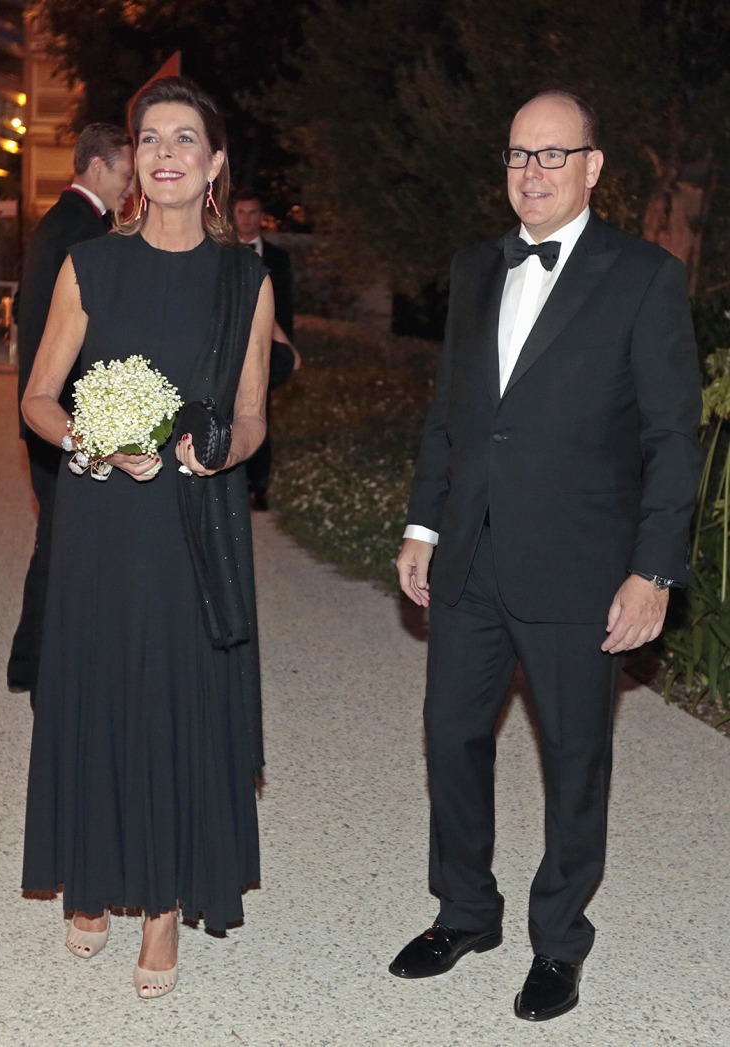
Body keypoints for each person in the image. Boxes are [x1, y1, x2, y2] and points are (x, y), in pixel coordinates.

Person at [389, 91, 704, 1022]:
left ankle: (559, 942)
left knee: (574, 758)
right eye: (519, 155)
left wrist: (653, 571)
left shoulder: (643, 276)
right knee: (451, 736)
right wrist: (423, 525)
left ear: (594, 167)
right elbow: (451, 413)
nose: (532, 172)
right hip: (472, 555)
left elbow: (673, 437)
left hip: (581, 565)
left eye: (553, 155)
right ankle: (465, 910)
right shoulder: (475, 267)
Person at [21, 76, 273, 999]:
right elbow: (38, 399)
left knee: (171, 692)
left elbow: (253, 417)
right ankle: (91, 877)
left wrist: (218, 448)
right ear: (134, 162)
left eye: (185, 138)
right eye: (150, 138)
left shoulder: (246, 278)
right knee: (93, 683)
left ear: (213, 165)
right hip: (100, 514)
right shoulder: (91, 265)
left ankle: (163, 904)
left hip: (190, 520)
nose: (166, 152)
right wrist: (95, 436)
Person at [7, 123, 134, 704]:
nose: (130, 188)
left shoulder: (54, 224)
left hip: (43, 412)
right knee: (69, 548)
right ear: (99, 167)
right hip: (66, 416)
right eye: (127, 174)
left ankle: (29, 663)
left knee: (54, 540)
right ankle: (50, 677)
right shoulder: (84, 233)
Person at [233, 189, 295, 510]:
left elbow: (284, 308)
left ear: (261, 216)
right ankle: (235, 477)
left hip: (266, 346)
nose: (246, 218)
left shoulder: (279, 258)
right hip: (232, 347)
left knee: (261, 411)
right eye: (241, 212)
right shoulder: (223, 252)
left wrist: (286, 349)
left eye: (252, 212)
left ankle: (260, 484)